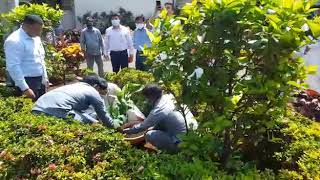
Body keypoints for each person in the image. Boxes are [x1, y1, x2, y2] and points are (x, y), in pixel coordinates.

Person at [123, 84, 198, 153]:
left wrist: (126, 131)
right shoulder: (169, 97)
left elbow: (143, 126)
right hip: (194, 136)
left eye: (146, 98)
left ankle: (173, 152)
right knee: (153, 129)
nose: (147, 100)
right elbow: (163, 121)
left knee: (149, 135)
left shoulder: (158, 110)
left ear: (150, 97)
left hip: (182, 144)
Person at [32, 75, 117, 128]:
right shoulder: (92, 91)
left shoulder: (74, 86)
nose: (100, 95)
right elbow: (103, 114)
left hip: (36, 109)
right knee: (95, 125)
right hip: (58, 111)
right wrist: (114, 127)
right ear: (96, 86)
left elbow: (78, 111)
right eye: (100, 92)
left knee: (90, 120)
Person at [4, 14, 49, 100]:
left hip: (39, 81)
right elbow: (13, 66)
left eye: (40, 30)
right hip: (26, 82)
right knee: (28, 110)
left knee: (40, 110)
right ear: (27, 26)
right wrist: (25, 88)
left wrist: (45, 79)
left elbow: (40, 59)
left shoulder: (36, 38)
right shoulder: (14, 40)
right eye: (37, 30)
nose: (39, 33)